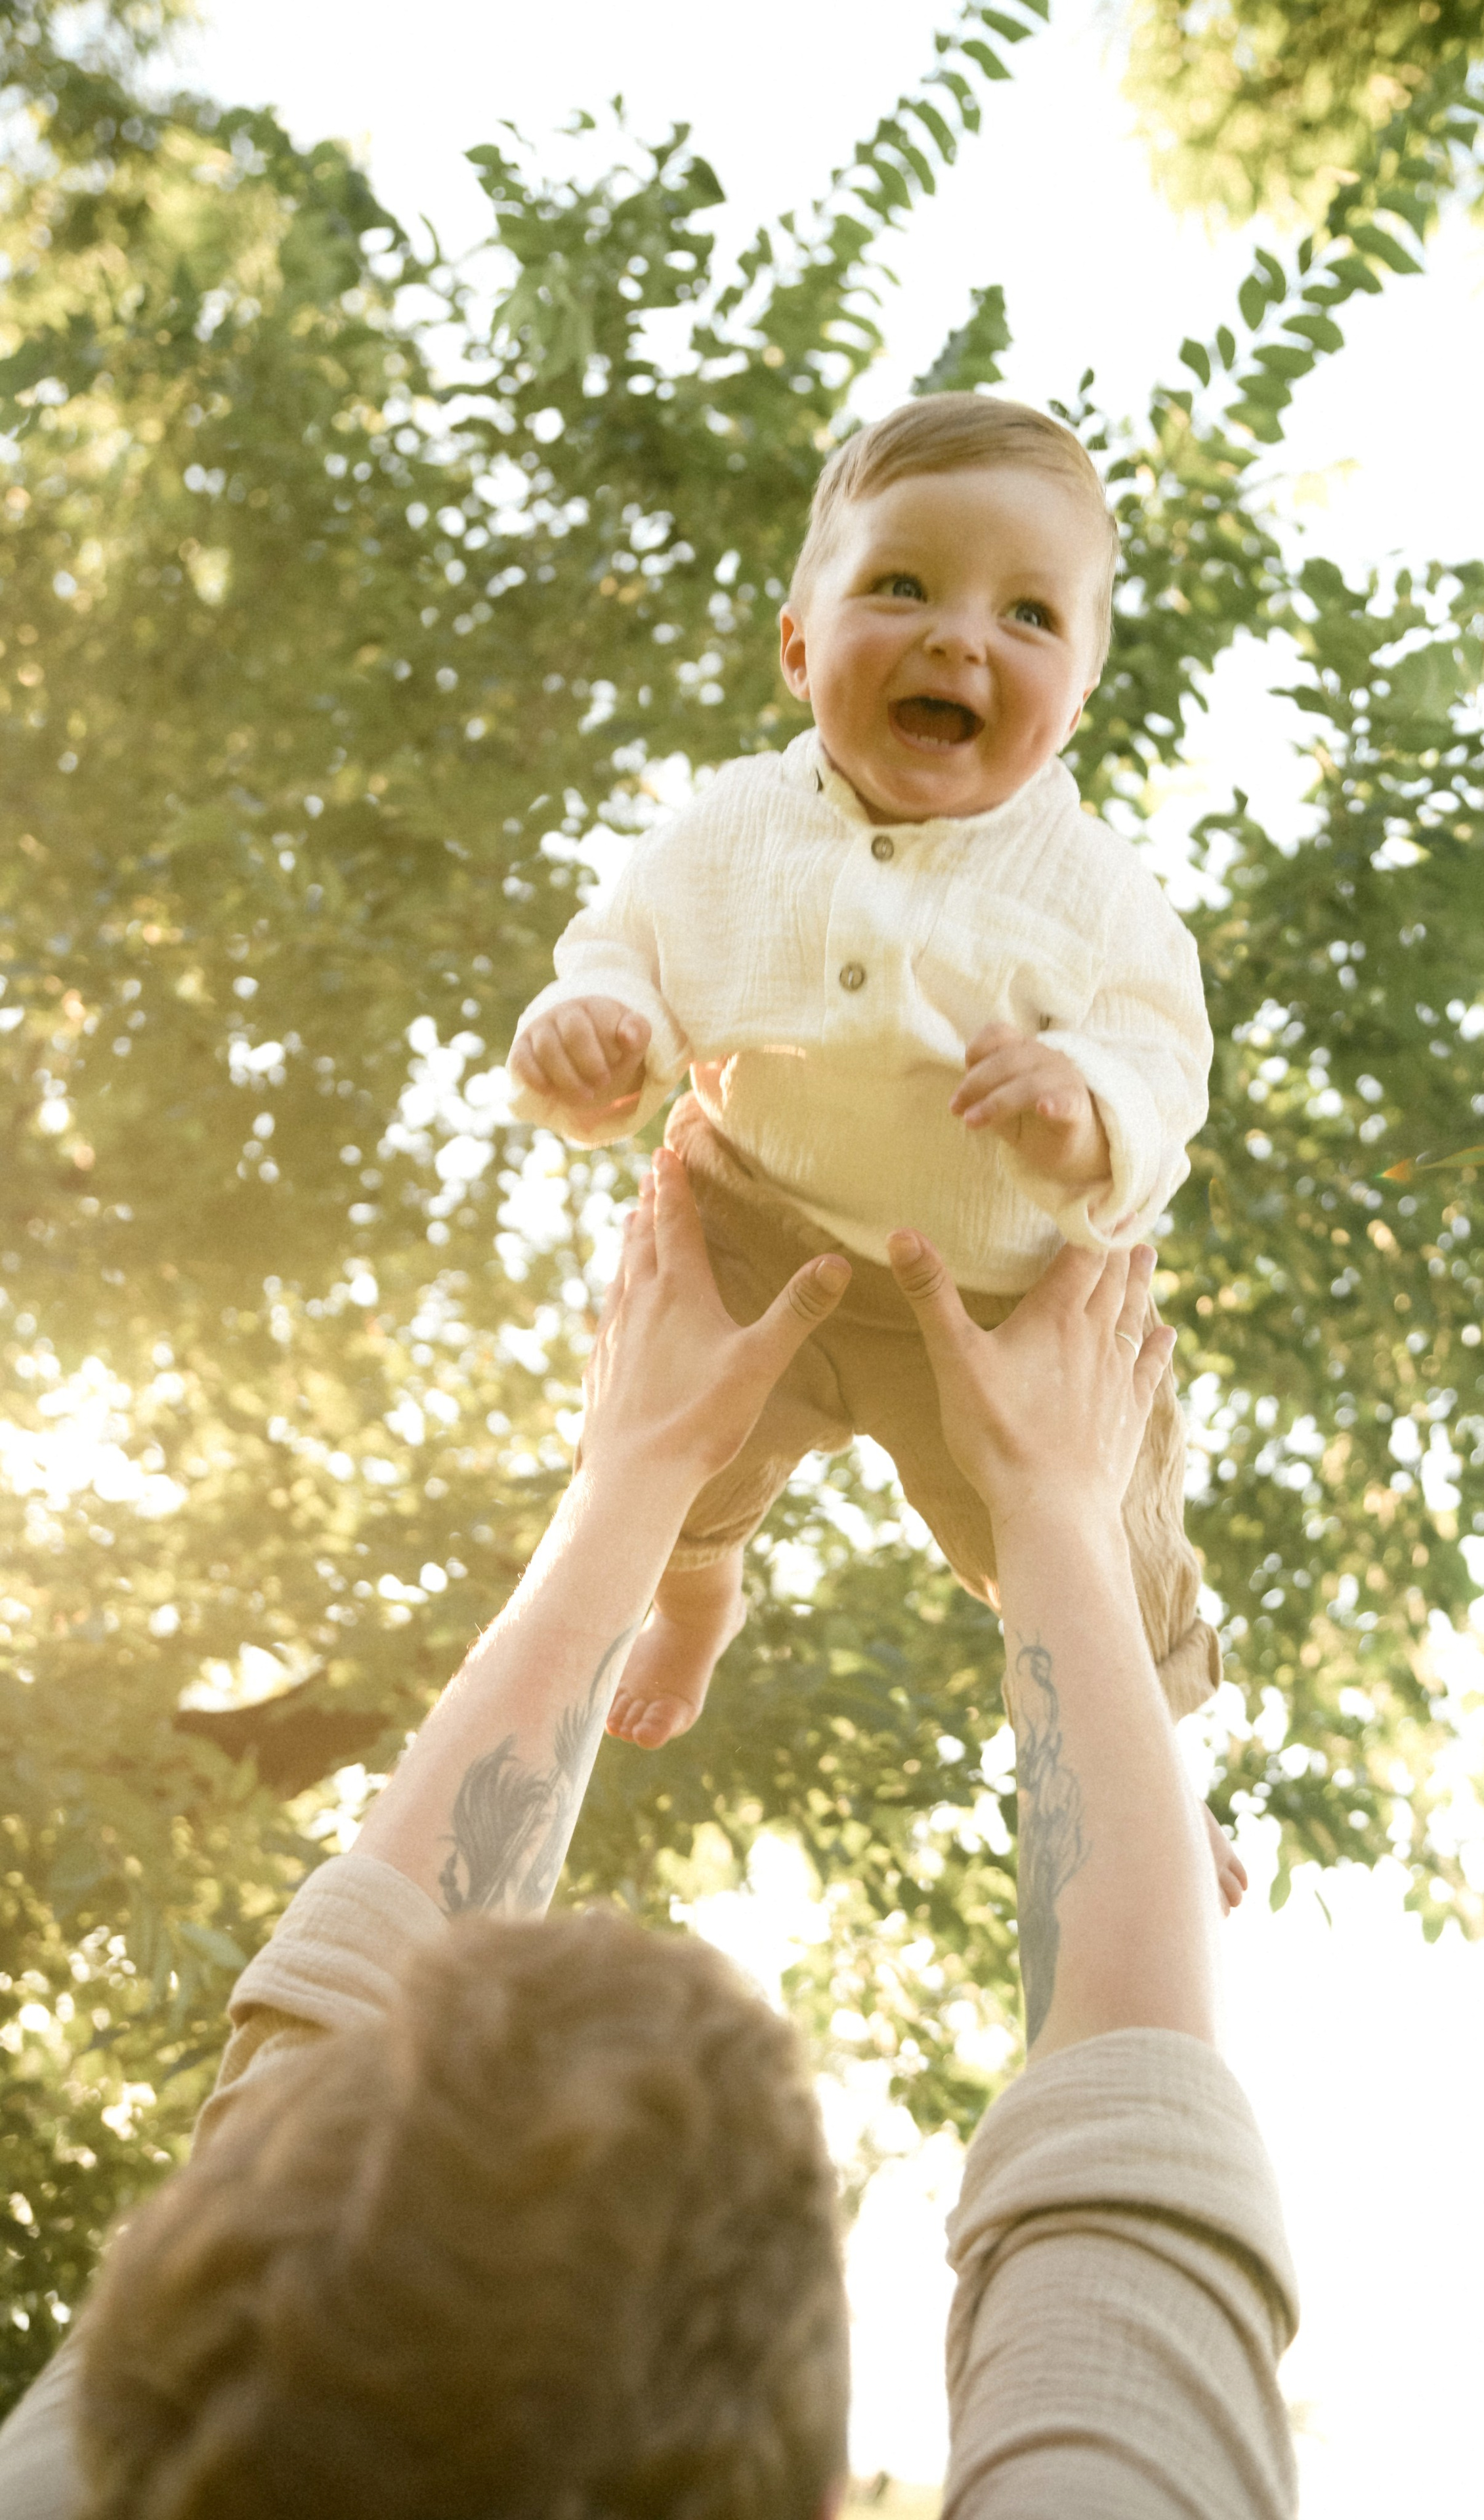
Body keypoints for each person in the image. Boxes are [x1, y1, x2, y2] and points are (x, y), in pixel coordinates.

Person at [0, 1152, 1297, 2518]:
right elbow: (1128, 2110)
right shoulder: (103, 2476)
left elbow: (1125, 2133)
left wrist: (648, 1478)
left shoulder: (159, 2456)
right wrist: (1054, 1503)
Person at [505, 391, 1219, 1759]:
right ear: (797, 646)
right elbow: (628, 953)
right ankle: (695, 1606)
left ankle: (1154, 1767)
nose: (959, 634)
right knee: (671, 1462)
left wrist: (1085, 1111)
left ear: (1069, 706)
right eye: (901, 585)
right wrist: (595, 1024)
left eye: (1028, 615)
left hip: (994, 1298)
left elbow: (1157, 1052)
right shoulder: (730, 829)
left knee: (1092, 1540)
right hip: (752, 1220)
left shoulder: (1087, 888)